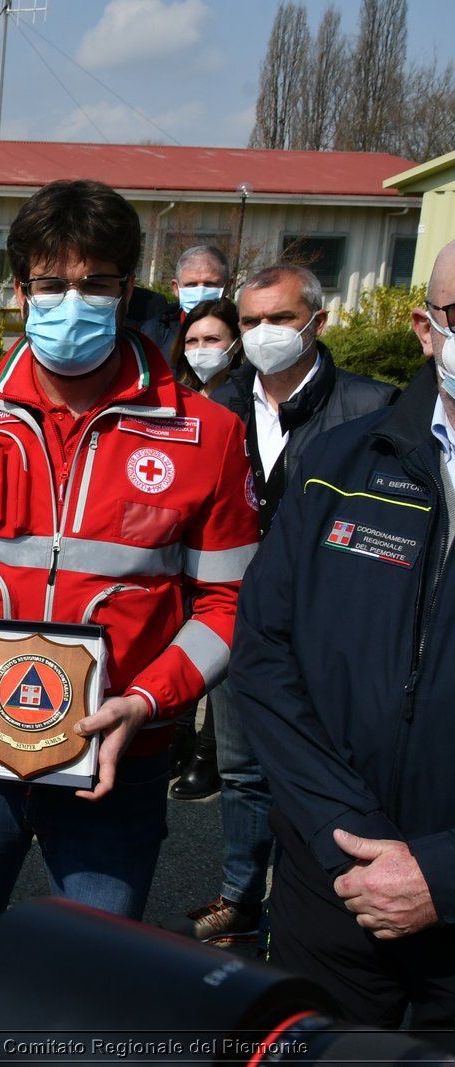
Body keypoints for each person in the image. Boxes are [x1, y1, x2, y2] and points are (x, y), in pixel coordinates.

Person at [0, 179, 259, 1063]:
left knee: (93, 973)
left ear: (130, 290)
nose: (70, 304)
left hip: (118, 760)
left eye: (95, 283)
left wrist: (151, 700)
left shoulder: (203, 432)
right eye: (50, 285)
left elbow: (231, 604)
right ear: (18, 293)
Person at [229, 238, 455, 1035]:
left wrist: (441, 873)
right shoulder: (335, 464)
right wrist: (352, 847)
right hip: (330, 885)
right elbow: (263, 654)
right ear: (427, 330)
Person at [170, 265, 399, 942]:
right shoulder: (218, 410)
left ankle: (335, 900)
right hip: (244, 619)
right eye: (250, 322)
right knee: (242, 770)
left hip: (335, 626)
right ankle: (241, 896)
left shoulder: (371, 407)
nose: (262, 334)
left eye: (280, 319)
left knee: (331, 767)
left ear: (317, 323)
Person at [162, 295, 245, 800]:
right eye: (192, 341)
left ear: (234, 344)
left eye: (212, 339)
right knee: (181, 638)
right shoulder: (179, 399)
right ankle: (178, 733)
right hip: (181, 545)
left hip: (228, 540)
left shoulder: (241, 403)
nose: (201, 350)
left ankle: (209, 751)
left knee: (219, 646)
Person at [138, 245, 233, 356]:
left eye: (210, 284)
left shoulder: (242, 329)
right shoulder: (154, 333)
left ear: (227, 287)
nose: (200, 292)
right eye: (191, 285)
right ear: (176, 288)